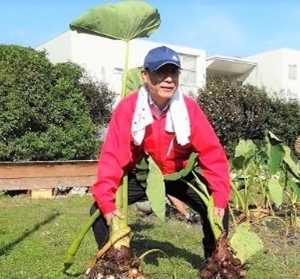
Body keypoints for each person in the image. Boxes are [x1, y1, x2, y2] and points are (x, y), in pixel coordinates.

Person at [90, 45, 230, 259]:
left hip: (178, 174)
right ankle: (115, 263)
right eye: (160, 72)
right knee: (99, 212)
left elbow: (212, 154)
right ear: (145, 75)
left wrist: (219, 198)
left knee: (217, 209)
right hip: (143, 176)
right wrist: (107, 203)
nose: (168, 79)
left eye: (173, 72)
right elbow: (113, 155)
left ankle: (216, 263)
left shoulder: (189, 109)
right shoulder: (128, 107)